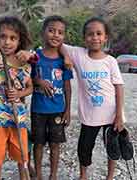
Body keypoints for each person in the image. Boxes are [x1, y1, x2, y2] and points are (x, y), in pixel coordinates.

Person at [61, 17, 124, 180]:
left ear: (105, 37)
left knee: (112, 147)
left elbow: (119, 88)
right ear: (84, 38)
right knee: (84, 148)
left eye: (99, 34)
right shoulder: (78, 54)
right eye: (90, 34)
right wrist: (66, 57)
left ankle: (110, 176)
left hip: (111, 115)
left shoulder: (111, 61)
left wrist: (119, 115)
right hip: (89, 117)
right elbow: (58, 43)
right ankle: (83, 175)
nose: (94, 37)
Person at [0, 16, 36, 180]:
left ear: (19, 41)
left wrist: (19, 94)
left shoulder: (24, 64)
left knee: (22, 155)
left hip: (17, 117)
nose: (7, 42)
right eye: (3, 37)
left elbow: (30, 88)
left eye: (13, 38)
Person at [30, 15, 73, 180]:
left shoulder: (64, 61)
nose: (56, 35)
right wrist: (39, 81)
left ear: (64, 37)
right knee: (38, 143)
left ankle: (53, 175)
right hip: (38, 109)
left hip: (57, 110)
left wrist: (68, 110)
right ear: (43, 33)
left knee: (55, 144)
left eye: (60, 32)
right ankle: (39, 174)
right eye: (51, 30)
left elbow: (68, 86)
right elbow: (28, 79)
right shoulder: (36, 57)